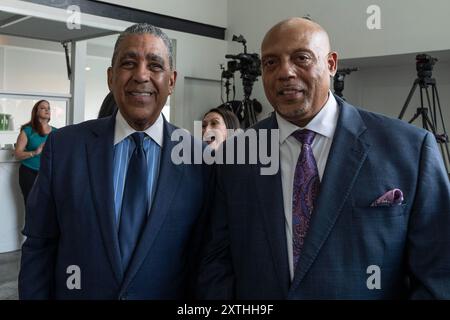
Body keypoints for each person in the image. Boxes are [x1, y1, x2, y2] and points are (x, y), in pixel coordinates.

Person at [197, 17, 450, 299]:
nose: (285, 72)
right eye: (270, 63)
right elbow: (217, 261)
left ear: (331, 64)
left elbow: (438, 273)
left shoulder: (410, 149)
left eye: (301, 58)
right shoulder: (236, 156)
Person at [19, 23, 211, 299]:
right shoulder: (65, 148)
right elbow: (39, 244)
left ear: (171, 81)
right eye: (129, 63)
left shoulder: (200, 159)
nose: (141, 75)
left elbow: (204, 257)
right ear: (111, 78)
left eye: (155, 66)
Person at [14, 100, 56, 204]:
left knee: (48, 207)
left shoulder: (56, 132)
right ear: (36, 112)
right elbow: (17, 154)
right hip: (29, 172)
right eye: (42, 108)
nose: (47, 110)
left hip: (49, 173)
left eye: (48, 108)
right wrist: (35, 152)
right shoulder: (27, 131)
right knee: (31, 205)